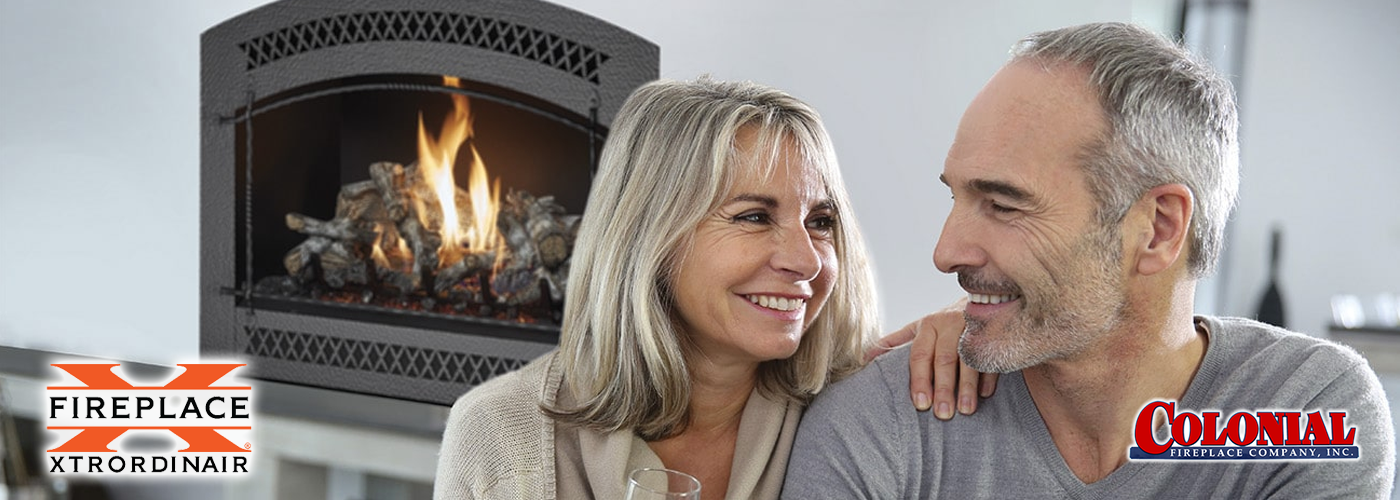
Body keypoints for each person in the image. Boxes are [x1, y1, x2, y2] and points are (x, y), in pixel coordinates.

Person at [782, 22, 1395, 498]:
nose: (946, 253)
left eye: (1003, 205)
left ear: (1158, 229)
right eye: (957, 196)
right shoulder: (885, 417)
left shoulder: (1307, 411)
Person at [433, 78, 990, 500]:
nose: (805, 261)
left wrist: (973, 324)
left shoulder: (861, 411)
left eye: (821, 222)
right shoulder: (502, 434)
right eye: (753, 217)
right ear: (649, 236)